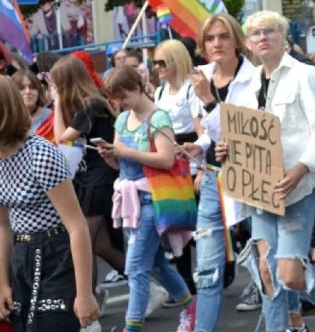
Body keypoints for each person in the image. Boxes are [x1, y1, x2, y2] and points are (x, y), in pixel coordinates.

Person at [216, 10, 315, 332]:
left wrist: (301, 169)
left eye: (269, 31)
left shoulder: (304, 74)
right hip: (260, 192)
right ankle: (288, 326)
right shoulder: (247, 85)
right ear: (248, 42)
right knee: (267, 274)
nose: (262, 37)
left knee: (290, 273)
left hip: (297, 189)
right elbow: (243, 137)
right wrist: (226, 150)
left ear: (283, 36)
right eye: (255, 33)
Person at [99, 66, 197, 332]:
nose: (117, 103)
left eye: (121, 96)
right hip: (131, 201)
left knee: (135, 269)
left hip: (153, 200)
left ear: (136, 87)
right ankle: (191, 307)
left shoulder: (159, 118)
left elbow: (166, 160)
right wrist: (111, 156)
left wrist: (125, 152)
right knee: (155, 264)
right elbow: (121, 166)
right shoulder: (121, 120)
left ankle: (132, 328)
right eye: (114, 98)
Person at [0, 77, 100, 331]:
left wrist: (85, 293)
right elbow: (3, 227)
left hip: (57, 254)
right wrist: (2, 282)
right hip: (20, 258)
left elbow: (77, 226)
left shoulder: (40, 154)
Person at [188, 13, 257, 332]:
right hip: (216, 180)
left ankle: (302, 319)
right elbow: (210, 133)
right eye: (211, 38)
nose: (217, 43)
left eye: (223, 36)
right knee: (207, 270)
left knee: (272, 268)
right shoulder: (201, 76)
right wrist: (199, 148)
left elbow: (246, 132)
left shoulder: (255, 78)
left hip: (253, 179)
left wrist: (207, 99)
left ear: (236, 40)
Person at [50, 56, 125, 313]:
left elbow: (62, 138)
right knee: (100, 245)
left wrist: (58, 102)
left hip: (100, 180)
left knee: (83, 244)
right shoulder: (86, 106)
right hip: (90, 179)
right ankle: (150, 285)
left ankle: (89, 306)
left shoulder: (91, 105)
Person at [151, 39, 204, 301]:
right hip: (170, 165)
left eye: (162, 62)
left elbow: (200, 128)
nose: (157, 67)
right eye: (155, 62)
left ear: (176, 61)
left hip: (193, 163)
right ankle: (185, 283)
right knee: (177, 227)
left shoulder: (190, 90)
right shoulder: (159, 93)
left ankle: (213, 272)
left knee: (201, 225)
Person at [12, 69, 53, 137]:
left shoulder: (51, 116)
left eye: (32, 87)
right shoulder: (6, 118)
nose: (28, 92)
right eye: (21, 88)